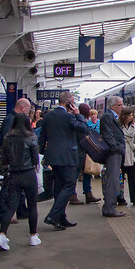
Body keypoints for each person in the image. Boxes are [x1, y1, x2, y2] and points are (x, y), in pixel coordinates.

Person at [38, 92, 88, 230]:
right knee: (70, 185)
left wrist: (41, 153)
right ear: (69, 103)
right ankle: (53, 215)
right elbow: (83, 129)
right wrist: (78, 114)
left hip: (53, 157)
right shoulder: (69, 117)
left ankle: (61, 218)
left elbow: (42, 137)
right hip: (67, 156)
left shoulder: (47, 116)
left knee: (59, 187)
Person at [0, 114, 41, 251]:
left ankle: (2, 234)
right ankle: (33, 236)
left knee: (11, 206)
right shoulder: (31, 137)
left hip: (14, 175)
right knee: (32, 206)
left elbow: (4, 160)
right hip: (28, 174)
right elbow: (35, 159)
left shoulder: (7, 138)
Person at [0, 97, 32, 225]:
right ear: (23, 108)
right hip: (11, 160)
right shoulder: (12, 120)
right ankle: (3, 214)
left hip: (14, 159)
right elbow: (8, 141)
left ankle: (21, 210)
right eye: (28, 109)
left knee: (16, 186)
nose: (29, 112)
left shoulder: (11, 118)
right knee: (7, 187)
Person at [100, 96, 127, 217]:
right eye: (119, 105)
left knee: (115, 180)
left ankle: (110, 206)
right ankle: (109, 208)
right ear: (112, 106)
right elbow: (108, 134)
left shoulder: (112, 117)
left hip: (115, 152)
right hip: (113, 153)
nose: (122, 107)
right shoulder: (108, 116)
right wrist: (116, 148)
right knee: (112, 180)